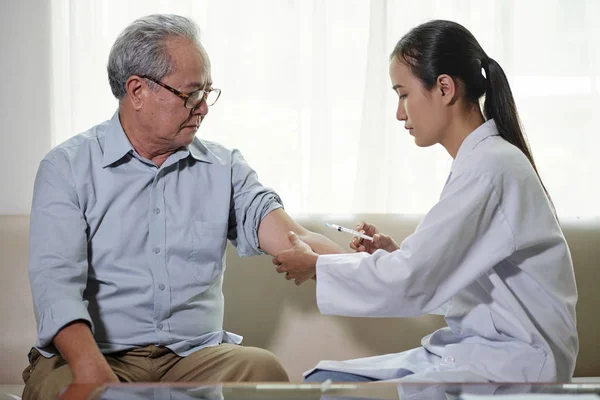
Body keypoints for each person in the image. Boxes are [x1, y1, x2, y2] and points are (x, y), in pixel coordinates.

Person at [23, 14, 343, 400]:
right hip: (95, 354)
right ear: (137, 91)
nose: (204, 107)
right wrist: (93, 373)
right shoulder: (67, 167)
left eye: (208, 92)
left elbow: (295, 238)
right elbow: (55, 285)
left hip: (194, 357)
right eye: (190, 94)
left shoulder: (224, 167)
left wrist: (374, 265)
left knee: (262, 369)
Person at [273, 19, 578, 383]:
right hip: (493, 351)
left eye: (403, 94)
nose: (400, 113)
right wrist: (395, 255)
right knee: (324, 378)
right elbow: (443, 280)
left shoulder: (489, 168)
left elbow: (414, 281)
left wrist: (317, 267)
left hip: (515, 362)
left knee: (327, 383)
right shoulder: (485, 162)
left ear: (445, 87)